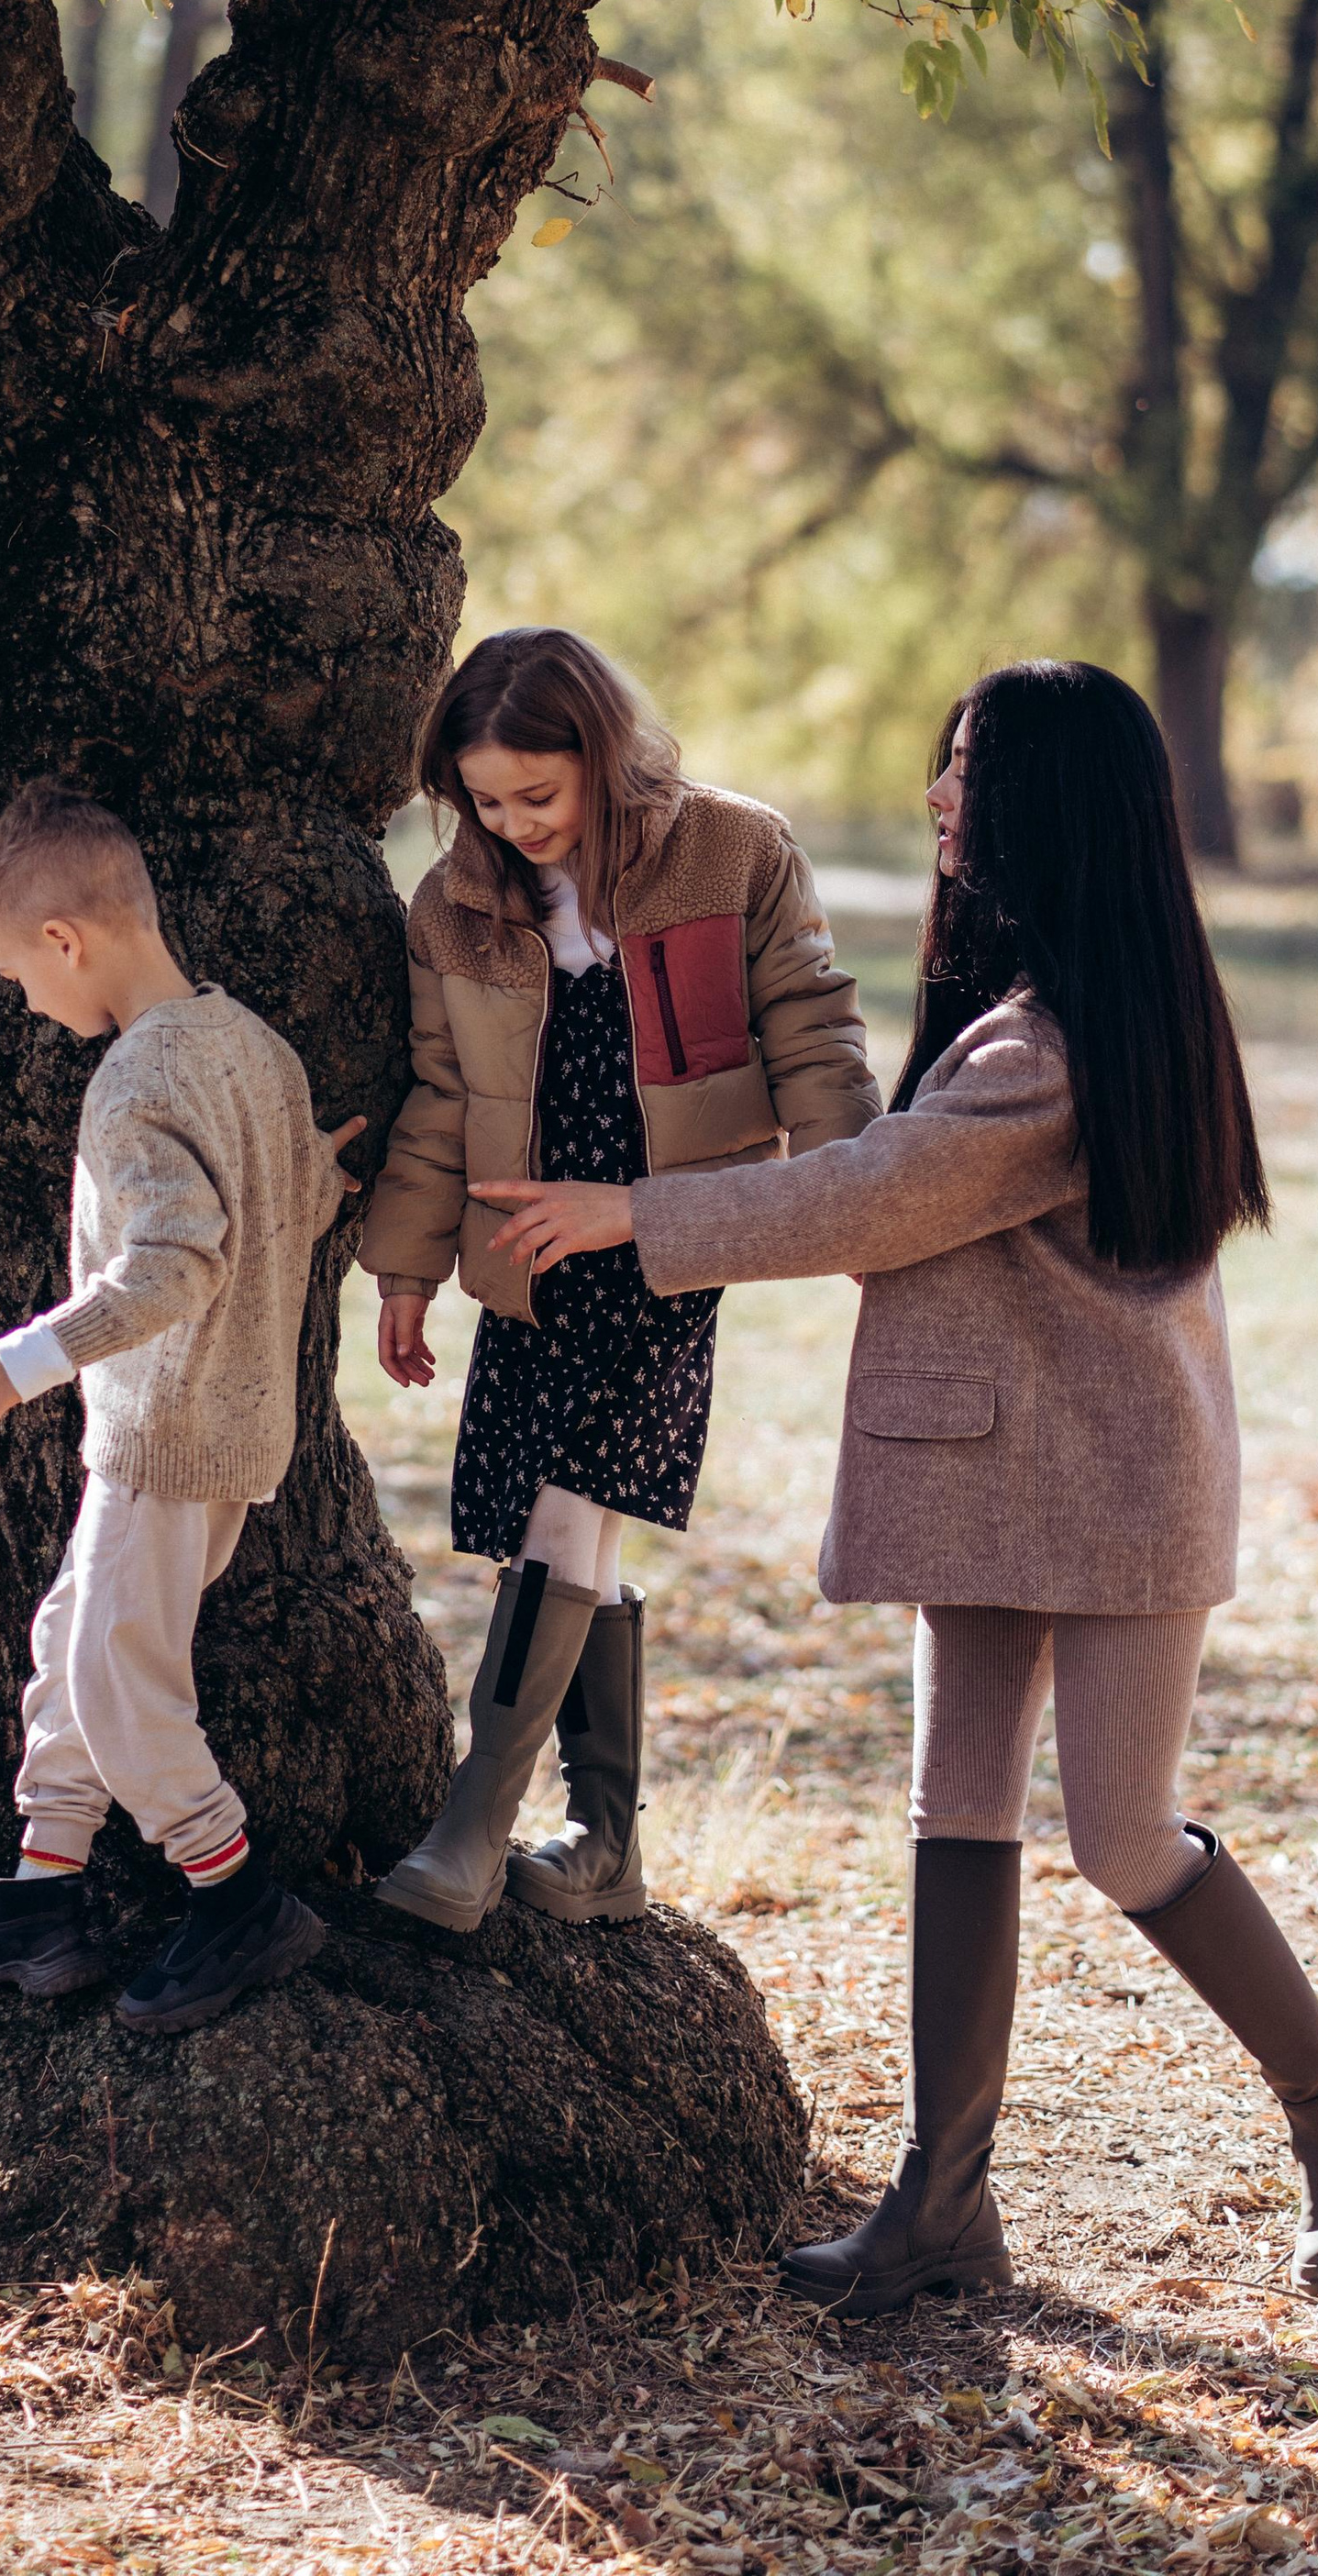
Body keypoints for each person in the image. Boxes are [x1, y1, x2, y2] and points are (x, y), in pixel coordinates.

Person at [477, 660, 1318, 2309]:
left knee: (1125, 1838)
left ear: (1055, 804)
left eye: (970, 769)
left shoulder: (1055, 1049)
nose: (939, 796)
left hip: (1118, 1486)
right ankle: (943, 2202)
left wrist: (635, 1212)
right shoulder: (1030, 1010)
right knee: (955, 1808)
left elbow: (871, 1197)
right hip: (976, 1462)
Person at [360, 627, 882, 1933]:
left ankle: (474, 1827)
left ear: (600, 752)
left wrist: (856, 1200)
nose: (513, 824)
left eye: (538, 793)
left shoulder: (732, 850)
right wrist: (407, 1269)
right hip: (528, 1254)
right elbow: (439, 1093)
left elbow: (812, 1029)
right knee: (562, 1528)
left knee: (564, 1507)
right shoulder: (454, 905)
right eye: (484, 801)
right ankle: (605, 1844)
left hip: (668, 1242)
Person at [0, 777, 362, 2036]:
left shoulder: (133, 1079)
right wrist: (316, 1179)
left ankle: (234, 1895)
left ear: (65, 941)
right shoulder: (254, 1047)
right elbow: (297, 1200)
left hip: (170, 1436)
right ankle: (43, 1885)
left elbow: (174, 1267)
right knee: (78, 1636)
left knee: (119, 1673)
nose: (27, 1001)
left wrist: (26, 1360)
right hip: (217, 1427)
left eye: (19, 976)